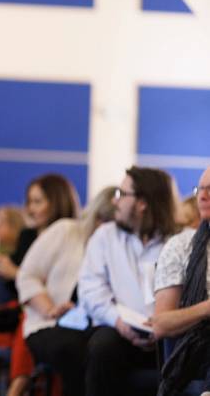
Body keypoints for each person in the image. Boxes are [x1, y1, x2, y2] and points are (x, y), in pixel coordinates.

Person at [78, 166, 179, 396]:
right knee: (102, 345)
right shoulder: (105, 236)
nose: (115, 202)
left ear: (142, 203)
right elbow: (90, 291)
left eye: (122, 195)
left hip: (167, 334)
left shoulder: (177, 242)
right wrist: (120, 323)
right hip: (119, 331)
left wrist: (165, 326)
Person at [17, 186, 117, 396]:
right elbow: (27, 276)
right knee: (73, 349)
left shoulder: (119, 246)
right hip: (49, 323)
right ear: (95, 216)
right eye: (102, 220)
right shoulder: (66, 231)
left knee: (103, 349)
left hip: (94, 325)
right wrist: (50, 308)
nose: (106, 228)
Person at [0, 174, 80, 396]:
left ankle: (17, 386)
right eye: (29, 202)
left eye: (38, 202)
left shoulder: (72, 236)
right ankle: (19, 385)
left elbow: (61, 282)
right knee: (28, 318)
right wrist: (13, 276)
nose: (30, 209)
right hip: (27, 308)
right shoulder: (27, 235)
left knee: (29, 323)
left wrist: (16, 273)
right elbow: (22, 288)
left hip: (56, 309)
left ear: (57, 201)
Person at [153, 166, 210, 394]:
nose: (203, 196)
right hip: (198, 349)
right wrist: (207, 308)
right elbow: (160, 324)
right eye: (200, 189)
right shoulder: (181, 247)